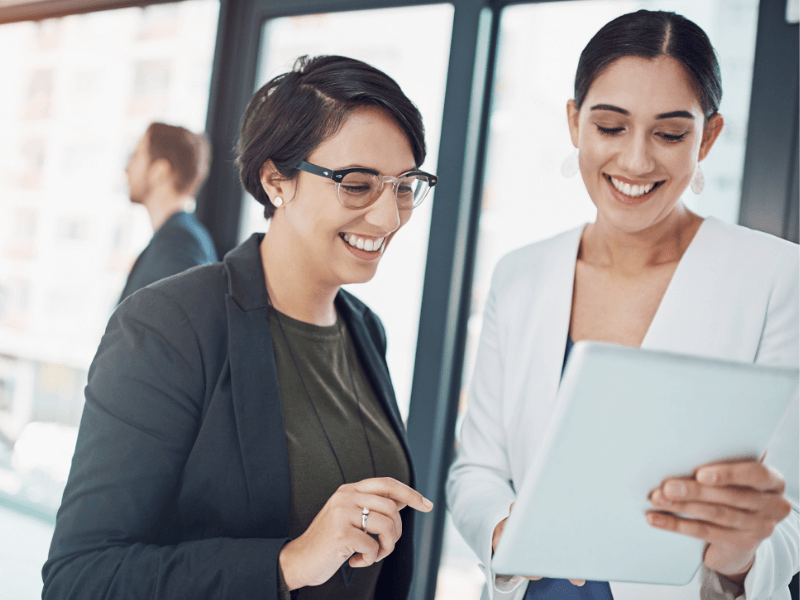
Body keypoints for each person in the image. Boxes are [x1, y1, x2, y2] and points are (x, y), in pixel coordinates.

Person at [43, 55, 438, 600]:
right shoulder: (170, 325)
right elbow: (81, 578)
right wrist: (287, 562)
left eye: (403, 186)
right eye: (357, 184)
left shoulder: (365, 330)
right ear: (277, 180)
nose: (389, 217)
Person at [447, 10, 798, 600]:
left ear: (708, 137)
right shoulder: (521, 276)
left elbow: (787, 509)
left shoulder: (778, 278)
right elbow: (476, 470)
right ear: (573, 122)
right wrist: (506, 534)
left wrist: (740, 554)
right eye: (610, 127)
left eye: (669, 133)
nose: (636, 162)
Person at [118, 122, 218, 304]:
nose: (127, 168)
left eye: (135, 157)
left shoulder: (181, 244)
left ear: (159, 171)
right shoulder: (174, 239)